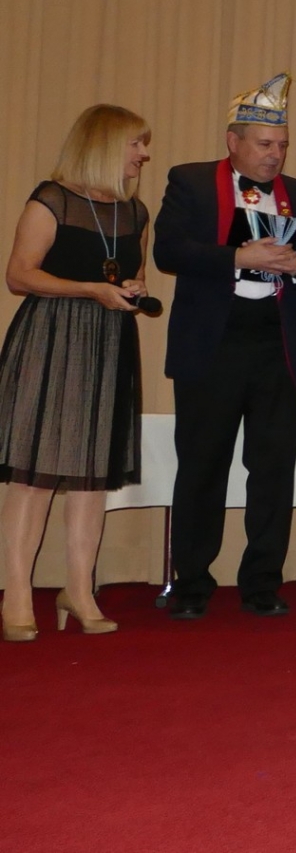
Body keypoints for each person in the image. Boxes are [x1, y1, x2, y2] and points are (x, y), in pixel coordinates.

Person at [154, 74, 296, 620]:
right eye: (264, 144)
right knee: (202, 466)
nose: (274, 154)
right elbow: (169, 252)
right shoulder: (190, 181)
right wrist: (239, 258)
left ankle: (262, 583)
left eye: (281, 145)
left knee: (273, 468)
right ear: (233, 141)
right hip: (212, 342)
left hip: (276, 342)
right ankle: (191, 584)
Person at [0, 105, 153, 641]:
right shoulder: (52, 199)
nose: (143, 154)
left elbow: (135, 271)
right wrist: (89, 289)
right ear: (105, 143)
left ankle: (79, 591)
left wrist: (132, 288)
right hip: (52, 337)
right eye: (136, 143)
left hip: (109, 342)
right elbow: (18, 276)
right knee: (34, 475)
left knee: (92, 477)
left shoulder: (135, 212)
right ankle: (17, 595)